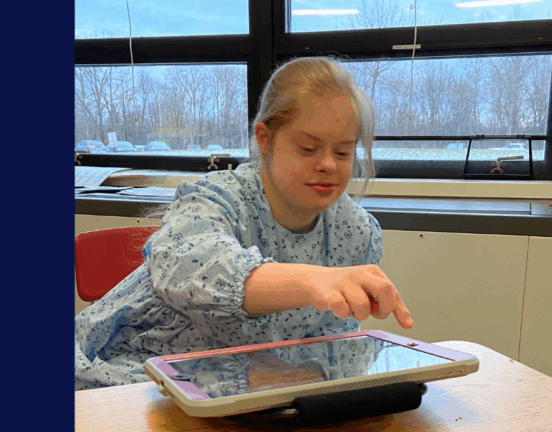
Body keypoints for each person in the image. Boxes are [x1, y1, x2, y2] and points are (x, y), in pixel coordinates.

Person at [74, 56, 414, 391]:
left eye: (343, 153)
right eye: (308, 148)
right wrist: (312, 280)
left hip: (253, 392)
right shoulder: (216, 198)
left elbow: (331, 349)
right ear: (264, 138)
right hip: (130, 375)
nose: (328, 164)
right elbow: (190, 267)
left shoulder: (356, 232)